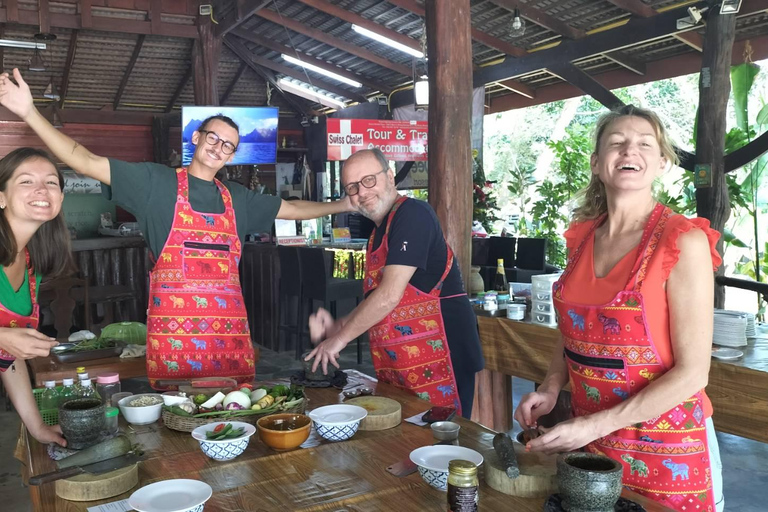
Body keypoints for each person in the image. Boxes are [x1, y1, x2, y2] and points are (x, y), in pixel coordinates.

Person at [0, 68, 351, 390]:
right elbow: (85, 160)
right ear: (196, 137)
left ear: (232, 155)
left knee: (235, 415)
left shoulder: (238, 199)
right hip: (174, 344)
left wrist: (345, 205)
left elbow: (292, 208)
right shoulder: (156, 183)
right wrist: (30, 113)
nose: (218, 148)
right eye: (213, 138)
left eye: (228, 145)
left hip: (229, 341)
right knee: (178, 428)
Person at [514, 105, 724, 511]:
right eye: (617, 143)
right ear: (597, 163)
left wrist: (596, 423)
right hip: (590, 439)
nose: (630, 151)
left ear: (662, 163)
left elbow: (693, 372)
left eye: (645, 144)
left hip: (664, 442)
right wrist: (552, 385)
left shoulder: (683, 241)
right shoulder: (582, 237)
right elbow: (571, 328)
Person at [305, 148, 484, 417]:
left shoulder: (413, 214)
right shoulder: (378, 233)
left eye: (368, 180)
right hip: (400, 361)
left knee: (439, 444)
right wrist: (337, 326)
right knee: (406, 443)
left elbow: (389, 295)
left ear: (390, 176)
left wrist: (339, 340)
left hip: (442, 354)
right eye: (352, 187)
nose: (362, 192)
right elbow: (376, 300)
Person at [0, 147, 73, 446]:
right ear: (1, 196)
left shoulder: (30, 261)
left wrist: (37, 427)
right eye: (26, 181)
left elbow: (9, 357)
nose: (42, 189)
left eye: (51, 182)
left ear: (60, 199)